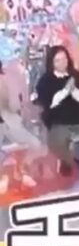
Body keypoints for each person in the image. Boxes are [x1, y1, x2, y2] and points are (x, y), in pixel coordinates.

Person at [36, 45, 79, 176]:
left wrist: (73, 90)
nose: (62, 63)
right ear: (51, 63)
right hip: (58, 121)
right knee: (57, 140)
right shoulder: (45, 81)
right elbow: (49, 103)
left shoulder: (77, 76)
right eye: (58, 60)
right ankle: (66, 160)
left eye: (64, 59)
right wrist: (64, 92)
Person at [0, 60, 50, 192]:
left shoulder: (8, 81)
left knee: (34, 144)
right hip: (9, 126)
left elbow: (17, 107)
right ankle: (19, 170)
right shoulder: (7, 80)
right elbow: (15, 106)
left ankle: (21, 170)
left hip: (10, 125)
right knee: (36, 145)